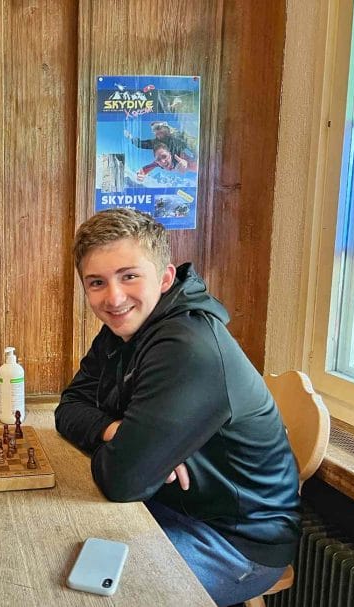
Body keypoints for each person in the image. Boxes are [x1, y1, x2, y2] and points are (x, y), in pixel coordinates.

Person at [55, 208, 300, 606]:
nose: (114, 297)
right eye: (97, 282)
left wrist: (135, 455)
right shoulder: (122, 330)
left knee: (85, 596)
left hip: (233, 540)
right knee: (58, 551)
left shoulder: (187, 348)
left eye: (129, 275)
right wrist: (118, 432)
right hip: (167, 508)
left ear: (166, 278)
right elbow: (68, 407)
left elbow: (123, 481)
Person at [124, 120, 197, 162]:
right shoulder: (157, 142)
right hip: (173, 161)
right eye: (154, 131)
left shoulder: (178, 135)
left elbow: (192, 143)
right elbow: (141, 144)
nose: (157, 132)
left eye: (158, 128)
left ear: (165, 127)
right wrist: (131, 137)